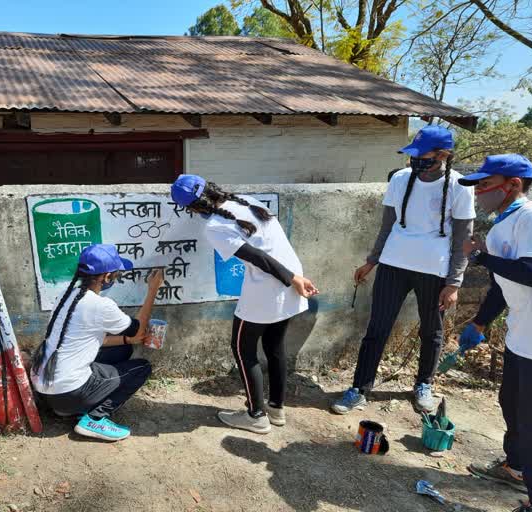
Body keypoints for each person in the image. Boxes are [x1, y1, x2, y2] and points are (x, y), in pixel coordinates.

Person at [331, 125, 476, 415]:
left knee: (432, 331)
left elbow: (463, 238)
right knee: (377, 328)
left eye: (423, 155)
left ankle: (424, 384)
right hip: (393, 265)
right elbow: (388, 225)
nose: (416, 161)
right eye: (414, 155)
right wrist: (372, 261)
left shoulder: (458, 187)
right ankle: (359, 388)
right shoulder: (400, 179)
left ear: (442, 155)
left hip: (434, 271)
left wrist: (454, 283)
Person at [458, 154, 532, 512]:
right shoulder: (503, 224)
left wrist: (481, 258)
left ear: (513, 185)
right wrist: (479, 322)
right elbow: (501, 287)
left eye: (485, 185)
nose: (478, 193)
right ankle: (516, 468)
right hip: (522, 334)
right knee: (512, 405)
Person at [170, 175, 318, 434]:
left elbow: (257, 257)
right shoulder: (248, 202)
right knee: (274, 346)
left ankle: (256, 415)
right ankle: (276, 408)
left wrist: (292, 279)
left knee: (242, 348)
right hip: (290, 279)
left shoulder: (215, 226)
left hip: (272, 286)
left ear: (193, 208)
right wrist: (295, 277)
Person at [30, 244, 162, 442]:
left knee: (123, 349)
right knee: (141, 368)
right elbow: (139, 328)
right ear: (107, 277)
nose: (116, 279)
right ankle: (94, 418)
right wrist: (153, 289)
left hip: (45, 390)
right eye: (116, 275)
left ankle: (79, 406)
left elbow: (88, 341)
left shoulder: (67, 295)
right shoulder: (101, 306)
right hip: (68, 394)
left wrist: (127, 339)